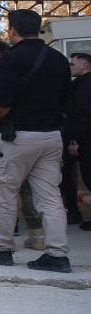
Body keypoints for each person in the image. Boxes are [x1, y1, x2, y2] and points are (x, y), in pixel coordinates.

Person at [0, 9, 72, 273]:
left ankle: (1, 248)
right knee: (50, 198)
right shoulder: (59, 59)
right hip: (51, 136)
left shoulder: (12, 59)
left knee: (5, 193)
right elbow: (65, 101)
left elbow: (3, 102)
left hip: (18, 137)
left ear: (12, 29)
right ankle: (57, 254)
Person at [67, 52, 91, 232]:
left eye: (73, 64)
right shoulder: (78, 85)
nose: (70, 67)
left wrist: (76, 140)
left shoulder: (84, 87)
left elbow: (83, 116)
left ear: (85, 66)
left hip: (84, 140)